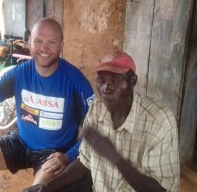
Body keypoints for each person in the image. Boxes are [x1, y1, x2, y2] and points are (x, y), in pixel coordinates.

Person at [0, 18, 95, 187]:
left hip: (54, 154)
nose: (44, 48)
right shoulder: (20, 73)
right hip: (21, 141)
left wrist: (69, 155)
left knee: (36, 189)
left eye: (51, 42)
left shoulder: (75, 80)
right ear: (29, 42)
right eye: (38, 41)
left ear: (61, 44)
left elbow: (97, 125)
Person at [24, 50, 180, 192]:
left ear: (132, 81)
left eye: (115, 80)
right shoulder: (97, 108)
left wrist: (115, 158)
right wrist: (46, 187)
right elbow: (84, 162)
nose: (106, 87)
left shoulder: (160, 122)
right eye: (101, 80)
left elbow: (161, 190)